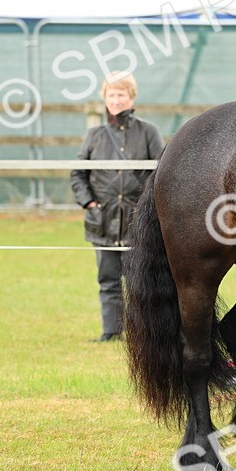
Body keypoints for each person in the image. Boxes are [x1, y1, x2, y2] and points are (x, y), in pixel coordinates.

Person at [70, 73, 165, 342]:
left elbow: (160, 173)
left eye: (121, 94)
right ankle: (111, 332)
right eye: (111, 95)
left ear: (131, 98)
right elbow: (78, 174)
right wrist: (89, 203)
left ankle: (142, 335)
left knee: (140, 282)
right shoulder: (95, 135)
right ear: (105, 98)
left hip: (138, 222)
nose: (116, 100)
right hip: (104, 221)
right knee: (108, 279)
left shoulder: (148, 132)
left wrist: (146, 207)